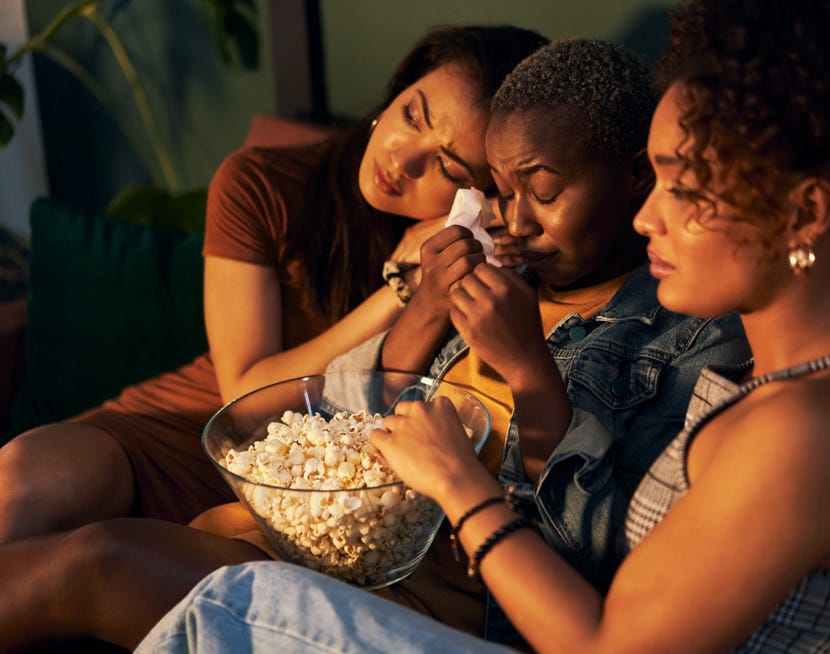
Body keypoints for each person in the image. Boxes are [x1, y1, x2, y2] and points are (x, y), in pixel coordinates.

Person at [136, 0, 830, 652]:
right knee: (180, 561)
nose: (649, 218)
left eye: (682, 187)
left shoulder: (815, 423)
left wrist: (462, 491)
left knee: (210, 598)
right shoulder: (785, 380)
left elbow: (605, 641)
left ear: (807, 214)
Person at [0, 24, 548, 652]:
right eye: (411, 114)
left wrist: (451, 263)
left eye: (447, 166)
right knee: (21, 479)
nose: (403, 157)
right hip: (186, 423)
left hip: (311, 487)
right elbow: (244, 391)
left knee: (93, 566)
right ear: (396, 93)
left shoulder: (475, 261)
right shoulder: (262, 182)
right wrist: (398, 289)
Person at [205, 37, 749, 646]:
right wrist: (426, 307)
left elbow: (603, 562)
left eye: (542, 193)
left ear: (635, 179)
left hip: (473, 597)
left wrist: (530, 370)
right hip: (371, 534)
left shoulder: (689, 337)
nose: (516, 222)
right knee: (190, 534)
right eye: (503, 191)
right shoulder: (504, 273)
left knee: (120, 566)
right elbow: (341, 418)